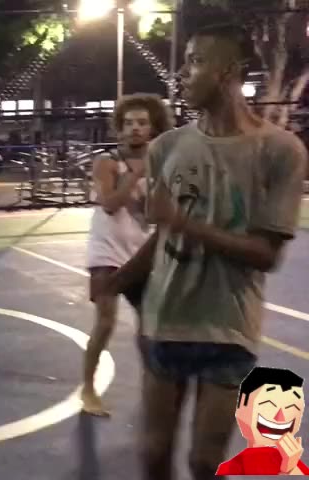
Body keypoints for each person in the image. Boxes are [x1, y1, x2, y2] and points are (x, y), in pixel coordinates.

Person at [106, 24, 307, 480]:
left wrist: (184, 223)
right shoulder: (167, 147)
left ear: (229, 71)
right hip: (165, 320)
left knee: (203, 461)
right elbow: (163, 237)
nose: (182, 73)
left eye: (196, 60)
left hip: (229, 327)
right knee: (154, 454)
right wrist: (118, 280)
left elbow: (265, 254)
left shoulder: (280, 151)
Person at [81, 93, 173, 416]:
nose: (135, 128)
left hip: (139, 253)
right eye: (129, 122)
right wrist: (136, 173)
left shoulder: (161, 164)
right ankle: (88, 389)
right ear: (119, 127)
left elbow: (154, 214)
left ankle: (151, 386)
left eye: (142, 123)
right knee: (106, 322)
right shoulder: (106, 162)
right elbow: (109, 204)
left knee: (150, 324)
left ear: (153, 127)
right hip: (106, 252)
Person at [217, 367, 308, 475]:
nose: (280, 418)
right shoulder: (229, 468)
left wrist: (290, 469)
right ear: (243, 404)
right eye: (269, 405)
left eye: (291, 407)